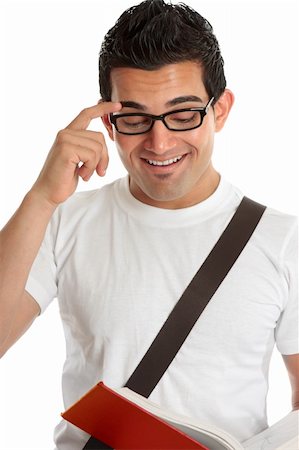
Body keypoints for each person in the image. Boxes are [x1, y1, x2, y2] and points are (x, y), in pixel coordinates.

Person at [0, 0, 298, 449]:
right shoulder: (65, 221)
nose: (160, 142)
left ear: (220, 110)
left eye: (182, 115)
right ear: (109, 123)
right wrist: (41, 197)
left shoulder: (283, 241)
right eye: (136, 118)